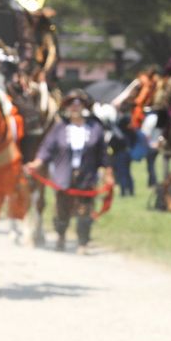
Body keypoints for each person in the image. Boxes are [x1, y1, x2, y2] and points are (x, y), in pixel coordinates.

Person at [27, 89, 112, 253]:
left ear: (84, 106)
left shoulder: (95, 128)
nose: (75, 107)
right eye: (72, 104)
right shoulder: (59, 128)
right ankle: (61, 237)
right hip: (63, 175)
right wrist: (36, 163)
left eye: (79, 103)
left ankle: (82, 242)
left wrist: (108, 173)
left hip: (87, 175)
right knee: (61, 209)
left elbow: (103, 153)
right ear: (67, 107)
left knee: (85, 211)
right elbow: (46, 148)